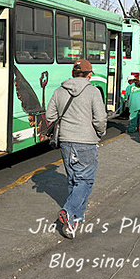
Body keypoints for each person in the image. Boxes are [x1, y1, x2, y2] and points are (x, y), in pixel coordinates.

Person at [46, 59, 107, 238]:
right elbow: (100, 119)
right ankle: (69, 210)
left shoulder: (59, 91)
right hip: (86, 143)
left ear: (73, 73)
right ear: (89, 74)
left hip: (65, 142)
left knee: (73, 179)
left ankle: (75, 220)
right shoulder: (93, 91)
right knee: (85, 181)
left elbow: (50, 115)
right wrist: (99, 133)